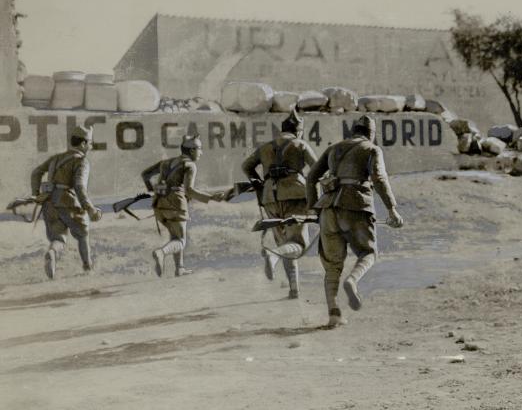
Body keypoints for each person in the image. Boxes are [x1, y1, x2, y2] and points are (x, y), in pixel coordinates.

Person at [306, 115, 404, 328]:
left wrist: (314, 209)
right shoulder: (371, 149)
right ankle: (352, 281)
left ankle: (334, 314)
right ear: (371, 133)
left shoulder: (334, 148)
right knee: (368, 253)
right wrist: (392, 209)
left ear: (352, 131)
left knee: (332, 267)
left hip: (328, 210)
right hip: (356, 207)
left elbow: (311, 177)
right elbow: (379, 178)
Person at [242, 108, 317, 299]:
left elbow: (246, 166)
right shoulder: (300, 144)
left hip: (269, 198)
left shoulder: (266, 146)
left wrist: (258, 182)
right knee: (298, 244)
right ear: (298, 130)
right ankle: (273, 255)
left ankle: (294, 290)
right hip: (295, 195)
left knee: (285, 242)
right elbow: (317, 170)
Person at [141, 134, 225, 277]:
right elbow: (189, 190)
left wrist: (154, 189)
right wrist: (212, 197)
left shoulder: (165, 163)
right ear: (191, 150)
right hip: (176, 203)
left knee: (175, 236)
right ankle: (161, 252)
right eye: (199, 148)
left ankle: (179, 268)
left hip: (158, 204)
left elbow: (145, 175)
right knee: (181, 241)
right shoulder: (190, 165)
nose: (201, 152)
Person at [31, 125, 102, 279]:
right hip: (67, 202)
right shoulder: (82, 161)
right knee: (83, 233)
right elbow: (79, 186)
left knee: (58, 238)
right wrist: (89, 209)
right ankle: (88, 267)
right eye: (90, 143)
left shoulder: (55, 158)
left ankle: (52, 252)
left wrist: (36, 194)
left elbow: (36, 173)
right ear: (83, 144)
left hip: (48, 203)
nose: (90, 146)